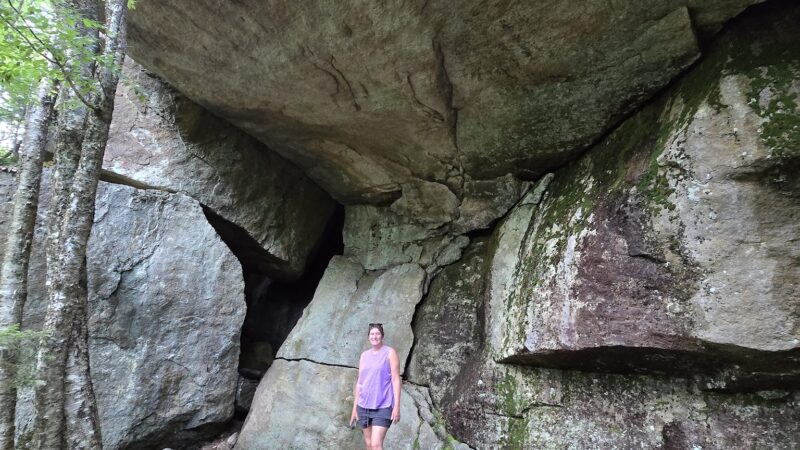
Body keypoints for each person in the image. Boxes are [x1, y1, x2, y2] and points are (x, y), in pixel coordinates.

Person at [350, 323, 401, 450]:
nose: (375, 336)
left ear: (382, 336)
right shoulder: (364, 355)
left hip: (383, 405)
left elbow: (395, 380)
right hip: (363, 406)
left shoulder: (390, 353)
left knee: (376, 445)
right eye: (372, 334)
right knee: (369, 444)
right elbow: (360, 383)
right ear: (368, 337)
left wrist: (397, 406)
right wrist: (354, 408)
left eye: (377, 333)